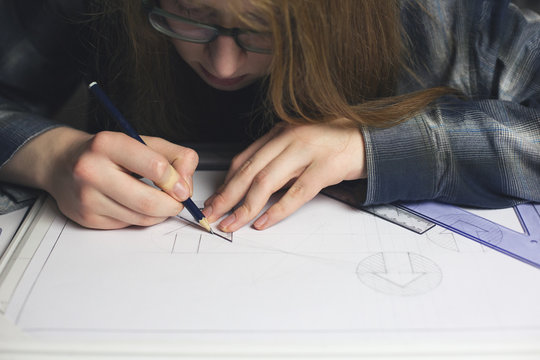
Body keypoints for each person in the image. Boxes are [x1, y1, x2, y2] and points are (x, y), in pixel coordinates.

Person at [0, 0, 538, 233]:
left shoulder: (448, 15)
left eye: (264, 29)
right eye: (190, 15)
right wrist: (48, 153)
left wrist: (375, 144)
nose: (223, 63)